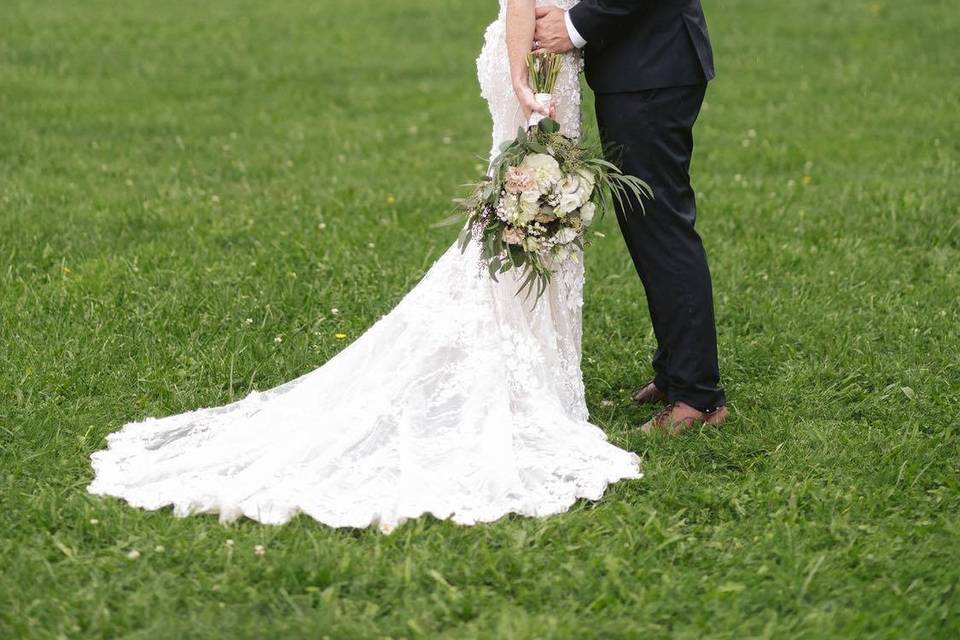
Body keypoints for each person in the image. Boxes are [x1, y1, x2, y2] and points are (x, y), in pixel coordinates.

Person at [86, 0, 641, 531]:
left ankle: (544, 372)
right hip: (536, 62)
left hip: (543, 56)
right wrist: (523, 80)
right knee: (533, 207)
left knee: (536, 215)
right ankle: (526, 381)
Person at [535, 0, 729, 433]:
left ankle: (697, 397)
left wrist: (574, 24)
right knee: (648, 228)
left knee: (662, 229)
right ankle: (676, 370)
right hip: (644, 69)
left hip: (653, 71)